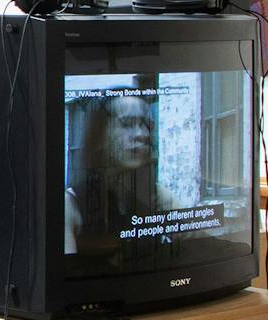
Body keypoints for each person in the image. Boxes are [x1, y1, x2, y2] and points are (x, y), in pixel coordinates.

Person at [63, 91, 184, 262]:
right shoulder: (70, 205)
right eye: (127, 124)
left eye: (146, 125)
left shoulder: (158, 196)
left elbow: (202, 245)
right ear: (100, 135)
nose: (142, 134)